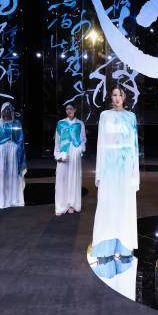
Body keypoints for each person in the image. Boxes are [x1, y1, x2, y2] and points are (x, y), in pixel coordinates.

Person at [91, 87, 140, 258]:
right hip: (109, 169)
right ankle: (105, 247)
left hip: (126, 168)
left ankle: (124, 247)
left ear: (124, 97)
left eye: (120, 95)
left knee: (124, 206)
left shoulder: (131, 117)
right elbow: (100, 145)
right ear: (111, 97)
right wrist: (99, 173)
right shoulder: (105, 115)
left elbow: (135, 146)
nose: (117, 98)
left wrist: (135, 175)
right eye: (114, 95)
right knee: (108, 205)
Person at [0, 103, 27, 208]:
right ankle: (2, 200)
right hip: (1, 151)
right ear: (2, 111)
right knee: (2, 174)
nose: (7, 112)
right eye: (5, 110)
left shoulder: (16, 123)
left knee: (12, 174)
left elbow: (20, 139)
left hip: (13, 151)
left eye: (9, 110)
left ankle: (14, 199)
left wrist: (18, 149)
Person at [54, 104, 86, 216]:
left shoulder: (79, 123)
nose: (69, 111)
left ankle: (72, 204)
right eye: (67, 109)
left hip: (75, 152)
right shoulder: (60, 123)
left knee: (74, 178)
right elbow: (57, 140)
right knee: (62, 178)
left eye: (71, 109)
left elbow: (83, 139)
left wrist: (80, 150)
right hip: (64, 151)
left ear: (75, 110)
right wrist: (57, 154)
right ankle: (61, 205)